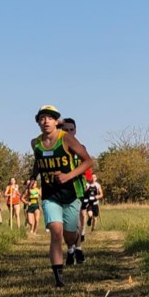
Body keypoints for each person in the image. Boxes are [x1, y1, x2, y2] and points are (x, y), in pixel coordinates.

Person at [23, 105, 94, 287]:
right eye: (42, 118)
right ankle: (59, 279)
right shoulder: (35, 143)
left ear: (56, 121)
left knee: (69, 235)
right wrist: (33, 177)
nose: (45, 121)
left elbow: (88, 161)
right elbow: (38, 162)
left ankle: (73, 245)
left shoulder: (67, 140)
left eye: (50, 118)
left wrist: (68, 176)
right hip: (49, 195)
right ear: (38, 122)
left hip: (70, 193)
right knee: (56, 232)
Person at [59, 117, 92, 262]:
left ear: (76, 131)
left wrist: (87, 183)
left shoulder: (81, 148)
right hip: (60, 190)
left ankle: (77, 249)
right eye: (65, 129)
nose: (69, 132)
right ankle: (71, 248)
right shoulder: (57, 148)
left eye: (71, 129)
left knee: (76, 219)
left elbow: (88, 168)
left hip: (77, 188)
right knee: (65, 224)